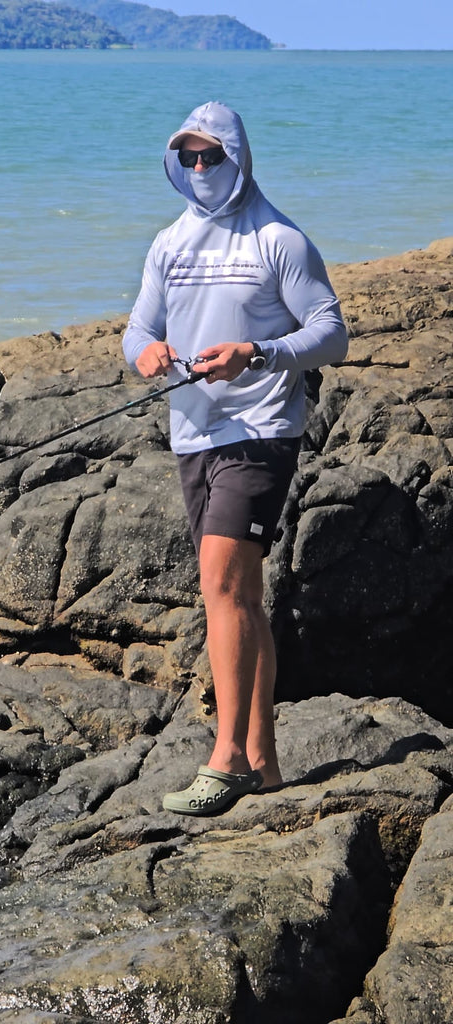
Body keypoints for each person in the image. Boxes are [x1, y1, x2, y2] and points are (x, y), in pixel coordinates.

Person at [122, 101, 348, 816]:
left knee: (220, 582)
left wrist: (259, 353)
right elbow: (137, 327)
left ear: (237, 157)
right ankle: (266, 761)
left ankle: (224, 760)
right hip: (193, 435)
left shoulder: (279, 239)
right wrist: (147, 354)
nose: (198, 169)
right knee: (242, 597)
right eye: (187, 157)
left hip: (262, 429)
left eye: (209, 156)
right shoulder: (169, 243)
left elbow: (331, 333)